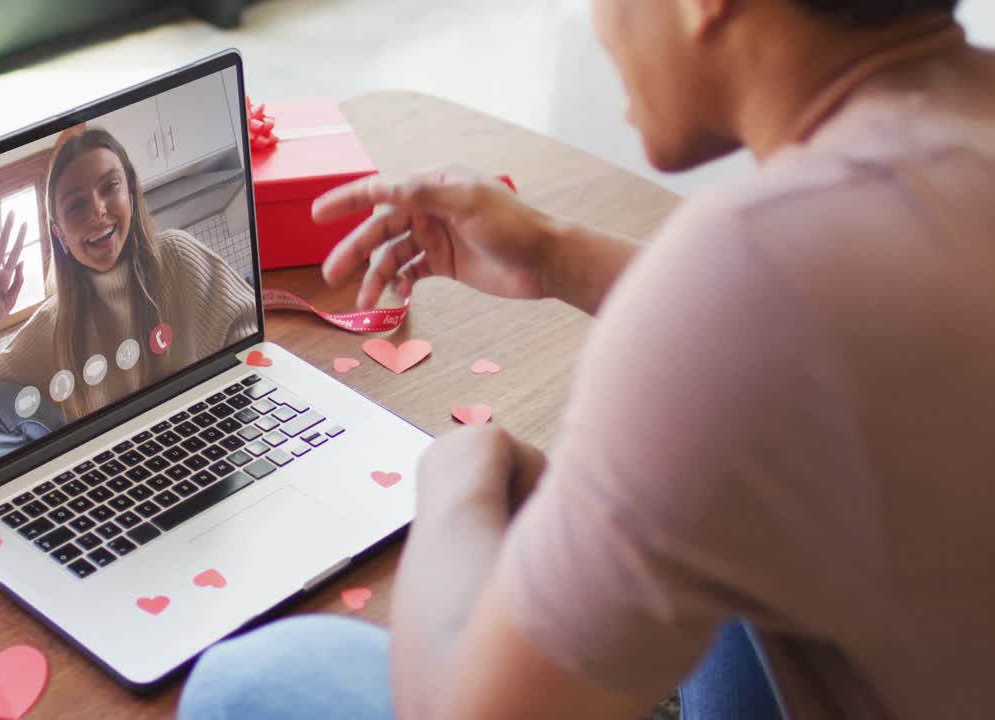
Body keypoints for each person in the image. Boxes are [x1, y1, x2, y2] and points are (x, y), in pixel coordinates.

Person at [178, 0, 995, 718]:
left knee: (248, 681)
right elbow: (822, 329)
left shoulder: (749, 276)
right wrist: (555, 254)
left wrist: (460, 470)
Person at [0, 127, 256, 466]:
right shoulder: (53, 326)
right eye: (76, 205)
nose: (97, 211)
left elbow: (250, 340)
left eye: (110, 187)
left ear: (130, 191)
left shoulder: (178, 257)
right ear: (60, 235)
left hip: (214, 453)